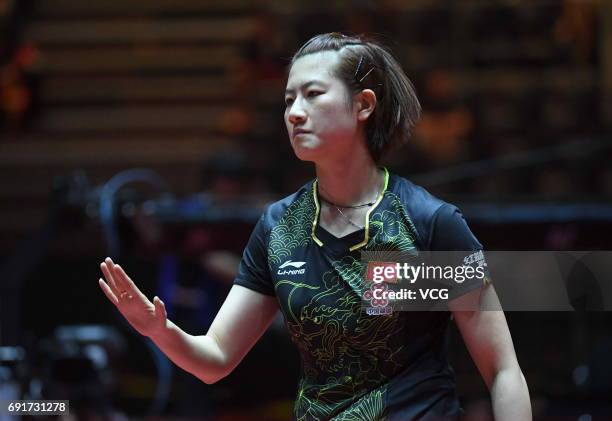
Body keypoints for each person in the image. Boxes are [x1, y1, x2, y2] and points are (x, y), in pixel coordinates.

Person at [98, 32, 531, 420]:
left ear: (363, 105)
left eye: (312, 94)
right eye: (289, 100)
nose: (295, 113)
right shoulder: (278, 227)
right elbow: (215, 358)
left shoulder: (428, 222)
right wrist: (160, 330)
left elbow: (502, 369)